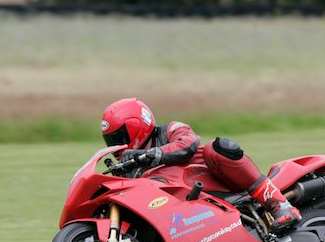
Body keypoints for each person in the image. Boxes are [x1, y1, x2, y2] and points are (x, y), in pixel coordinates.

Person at [100, 97, 301, 232]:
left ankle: (280, 205)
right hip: (187, 219)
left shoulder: (171, 129)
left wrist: (152, 154)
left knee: (217, 148)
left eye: (119, 137)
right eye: (110, 141)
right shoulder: (130, 168)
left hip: (219, 184)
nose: (116, 145)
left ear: (137, 126)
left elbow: (188, 144)